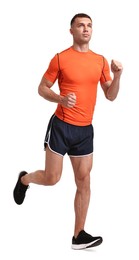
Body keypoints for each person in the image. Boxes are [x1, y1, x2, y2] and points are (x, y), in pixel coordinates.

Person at [13, 13, 123, 250]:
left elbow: (111, 96)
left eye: (89, 26)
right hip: (61, 126)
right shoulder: (60, 59)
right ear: (71, 30)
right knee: (52, 179)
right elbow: (42, 88)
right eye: (81, 25)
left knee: (84, 181)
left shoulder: (100, 61)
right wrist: (61, 99)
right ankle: (25, 179)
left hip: (85, 131)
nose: (86, 29)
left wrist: (118, 75)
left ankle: (78, 235)